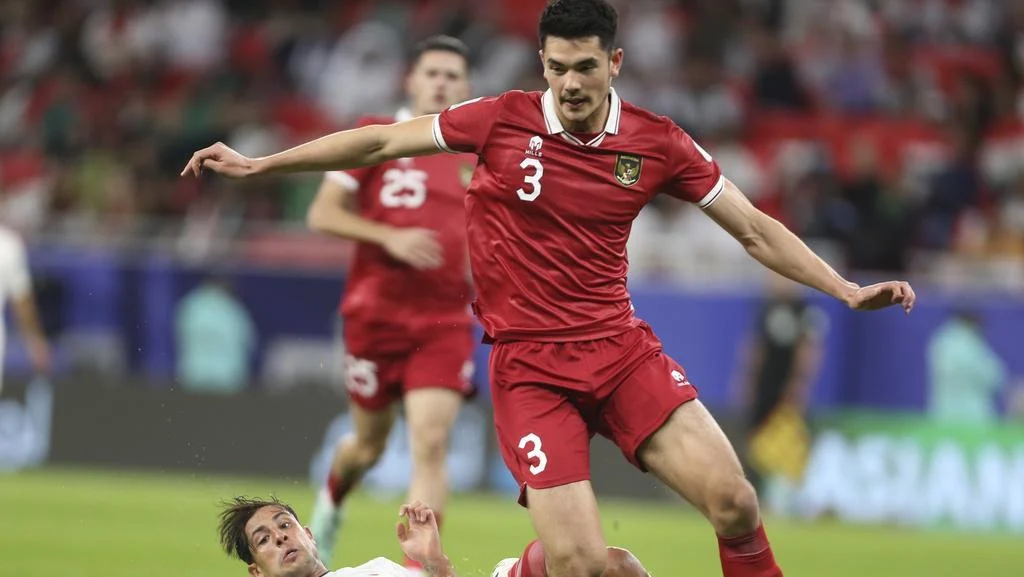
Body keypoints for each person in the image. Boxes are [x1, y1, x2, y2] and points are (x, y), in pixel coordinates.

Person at [183, 1, 917, 575]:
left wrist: (844, 289)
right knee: (582, 565)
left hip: (619, 350)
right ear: (542, 61)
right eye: (558, 67)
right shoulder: (500, 119)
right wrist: (260, 164)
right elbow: (378, 142)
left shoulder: (658, 142)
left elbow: (753, 228)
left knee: (735, 500)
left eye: (586, 67)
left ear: (615, 63)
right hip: (531, 370)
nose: (570, 83)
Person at [301, 35, 479, 573]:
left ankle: (417, 569)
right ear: (411, 80)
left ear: (466, 86)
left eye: (452, 75)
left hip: (444, 320)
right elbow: (322, 214)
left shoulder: (478, 151)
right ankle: (331, 505)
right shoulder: (375, 134)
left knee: (431, 442)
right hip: (374, 317)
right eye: (432, 73)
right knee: (368, 447)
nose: (441, 83)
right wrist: (388, 236)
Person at [217, 497, 650, 577]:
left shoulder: (375, 572)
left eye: (284, 525)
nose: (280, 538)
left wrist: (434, 562)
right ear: (257, 572)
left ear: (310, 536)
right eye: (264, 539)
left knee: (615, 565)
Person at [0, 223, 50, 397]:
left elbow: (21, 300)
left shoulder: (8, 245)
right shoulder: (7, 244)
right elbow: (21, 300)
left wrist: (34, 341)